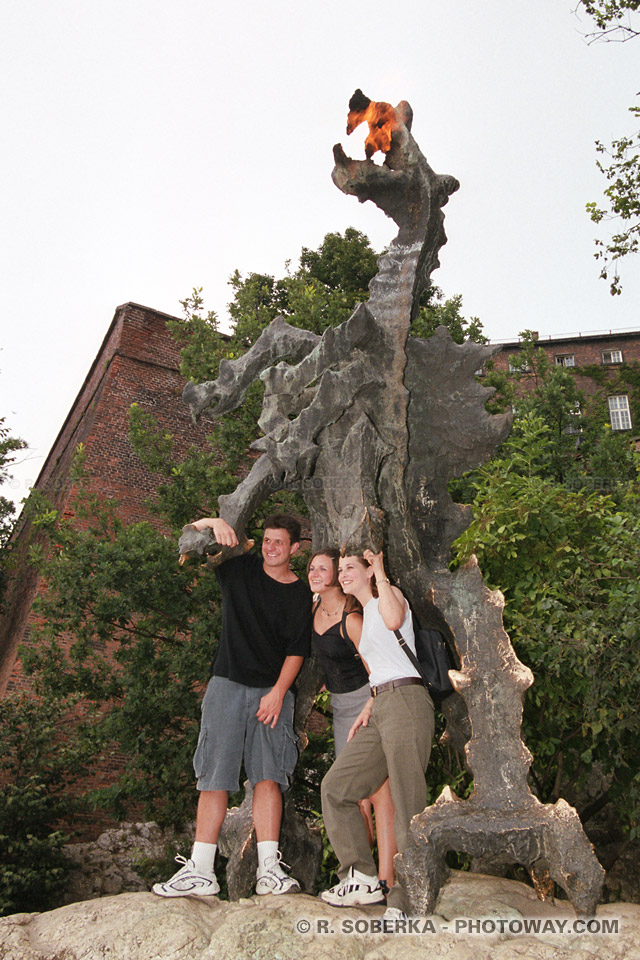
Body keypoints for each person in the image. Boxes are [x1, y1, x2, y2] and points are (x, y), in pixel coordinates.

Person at [153, 514, 312, 898]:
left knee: (268, 778)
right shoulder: (238, 568)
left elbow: (297, 651)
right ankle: (201, 870)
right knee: (213, 777)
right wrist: (212, 521)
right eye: (267, 541)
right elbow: (187, 539)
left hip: (272, 694)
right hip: (226, 684)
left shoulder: (302, 594)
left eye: (280, 543)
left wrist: (277, 692)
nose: (271, 548)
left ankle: (270, 871)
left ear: (295, 548)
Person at [320, 549, 434, 921]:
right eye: (341, 570)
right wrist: (370, 705)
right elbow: (379, 669)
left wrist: (381, 574)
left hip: (408, 701)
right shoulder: (361, 616)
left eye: (350, 567)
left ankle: (406, 897)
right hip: (383, 703)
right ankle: (362, 876)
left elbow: (394, 619)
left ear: (369, 569)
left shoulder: (390, 596)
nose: (343, 574)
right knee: (336, 787)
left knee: (407, 799)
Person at [308, 549, 397, 889]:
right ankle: (363, 874)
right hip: (340, 708)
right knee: (353, 797)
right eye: (311, 567)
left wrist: (372, 709)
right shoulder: (314, 607)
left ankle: (387, 879)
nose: (316, 573)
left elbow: (376, 669)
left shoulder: (352, 619)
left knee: (378, 796)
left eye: (324, 568)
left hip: (366, 702)